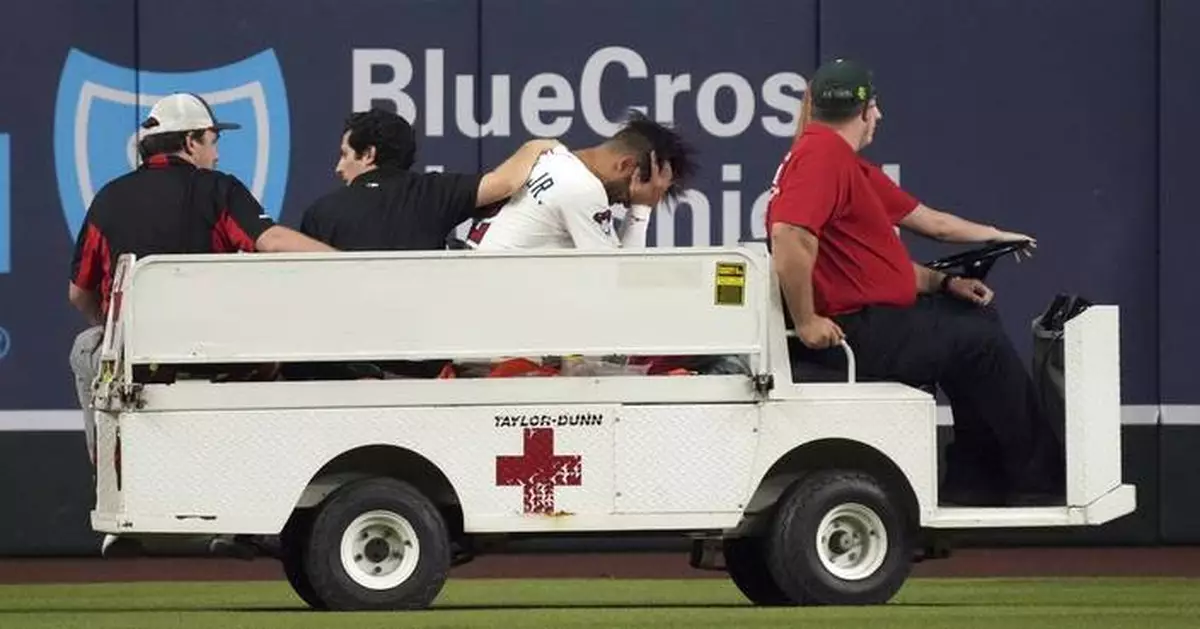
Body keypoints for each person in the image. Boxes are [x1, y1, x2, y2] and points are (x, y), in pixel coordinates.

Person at [765, 58, 1062, 507]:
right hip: (852, 330)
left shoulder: (842, 163)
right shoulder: (822, 158)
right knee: (980, 341)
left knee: (969, 319)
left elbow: (932, 225)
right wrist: (807, 321)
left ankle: (973, 478)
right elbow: (790, 235)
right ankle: (1039, 480)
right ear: (862, 110)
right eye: (876, 107)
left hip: (869, 319)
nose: (880, 117)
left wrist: (948, 280)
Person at [67, 92, 334, 558]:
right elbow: (269, 242)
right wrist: (346, 262)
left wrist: (114, 334)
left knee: (86, 348)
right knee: (275, 356)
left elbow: (79, 293)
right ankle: (247, 512)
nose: (216, 150)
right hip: (212, 356)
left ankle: (115, 491)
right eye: (211, 139)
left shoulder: (107, 199)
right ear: (190, 142)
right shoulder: (218, 188)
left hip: (134, 361)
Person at [299, 108, 561, 251]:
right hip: (426, 344)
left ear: (368, 154)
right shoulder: (432, 191)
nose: (338, 167)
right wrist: (535, 145)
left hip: (349, 345)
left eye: (345, 155)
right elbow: (504, 183)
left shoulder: (320, 213)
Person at [466, 110, 696, 250]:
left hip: (479, 290)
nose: (625, 203)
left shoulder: (549, 157)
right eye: (630, 193)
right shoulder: (582, 188)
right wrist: (641, 209)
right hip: (490, 306)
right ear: (625, 165)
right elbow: (620, 284)